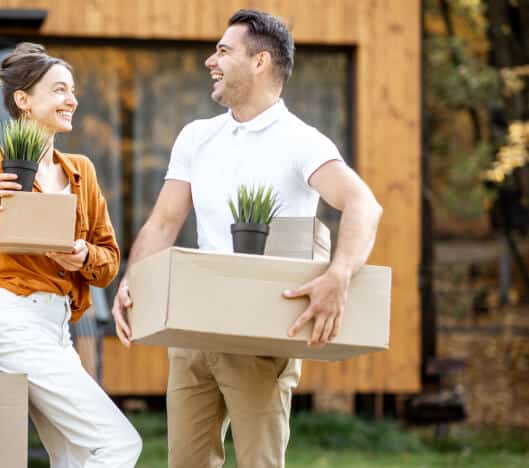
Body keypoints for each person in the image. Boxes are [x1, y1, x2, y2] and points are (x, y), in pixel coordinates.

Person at [110, 10, 384, 468]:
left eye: (222, 51)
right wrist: (134, 283)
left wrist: (339, 275)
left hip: (262, 334)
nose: (209, 61)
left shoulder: (301, 142)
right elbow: (163, 223)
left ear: (259, 62)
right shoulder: (197, 137)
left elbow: (362, 204)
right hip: (194, 328)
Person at [0, 42, 142, 468]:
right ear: (23, 101)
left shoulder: (80, 171)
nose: (72, 100)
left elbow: (108, 261)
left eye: (72, 91)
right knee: (120, 444)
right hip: (12, 322)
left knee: (75, 456)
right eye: (60, 90)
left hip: (58, 329)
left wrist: (83, 255)